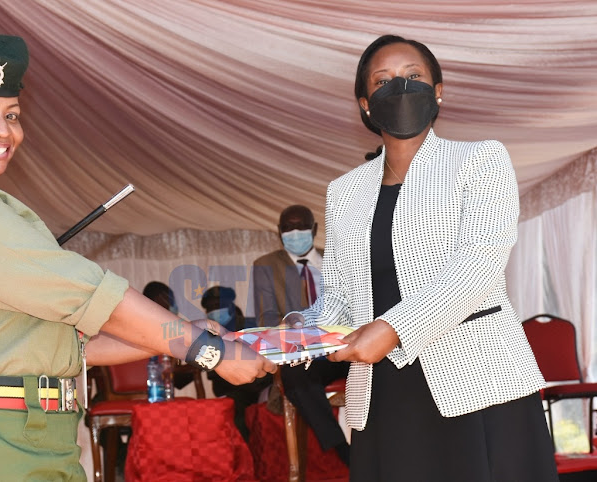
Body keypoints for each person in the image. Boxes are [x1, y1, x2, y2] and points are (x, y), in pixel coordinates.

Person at [0, 33, 275, 482]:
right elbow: (90, 295)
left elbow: (69, 349)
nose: (2, 131)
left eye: (11, 115)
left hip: (24, 433)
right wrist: (210, 353)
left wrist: (185, 333)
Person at [285, 34, 558, 481]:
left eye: (413, 77)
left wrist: (393, 329)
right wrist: (301, 328)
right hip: (383, 393)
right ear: (365, 104)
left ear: (438, 91)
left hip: (477, 383)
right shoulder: (345, 191)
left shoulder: (480, 160)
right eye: (383, 81)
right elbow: (339, 295)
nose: (400, 88)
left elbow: (479, 264)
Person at [252, 205, 350, 467]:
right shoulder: (266, 266)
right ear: (279, 232)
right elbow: (266, 320)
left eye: (301, 227)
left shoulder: (336, 260)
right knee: (295, 376)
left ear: (315, 229)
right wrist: (294, 327)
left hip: (344, 348)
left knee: (386, 366)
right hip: (304, 356)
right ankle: (345, 452)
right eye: (287, 228)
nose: (294, 233)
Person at [201, 286, 269, 440]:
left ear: (231, 305)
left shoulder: (252, 325)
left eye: (218, 306)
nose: (214, 311)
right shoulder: (209, 334)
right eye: (210, 308)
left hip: (259, 383)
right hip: (231, 389)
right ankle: (242, 457)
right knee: (231, 408)